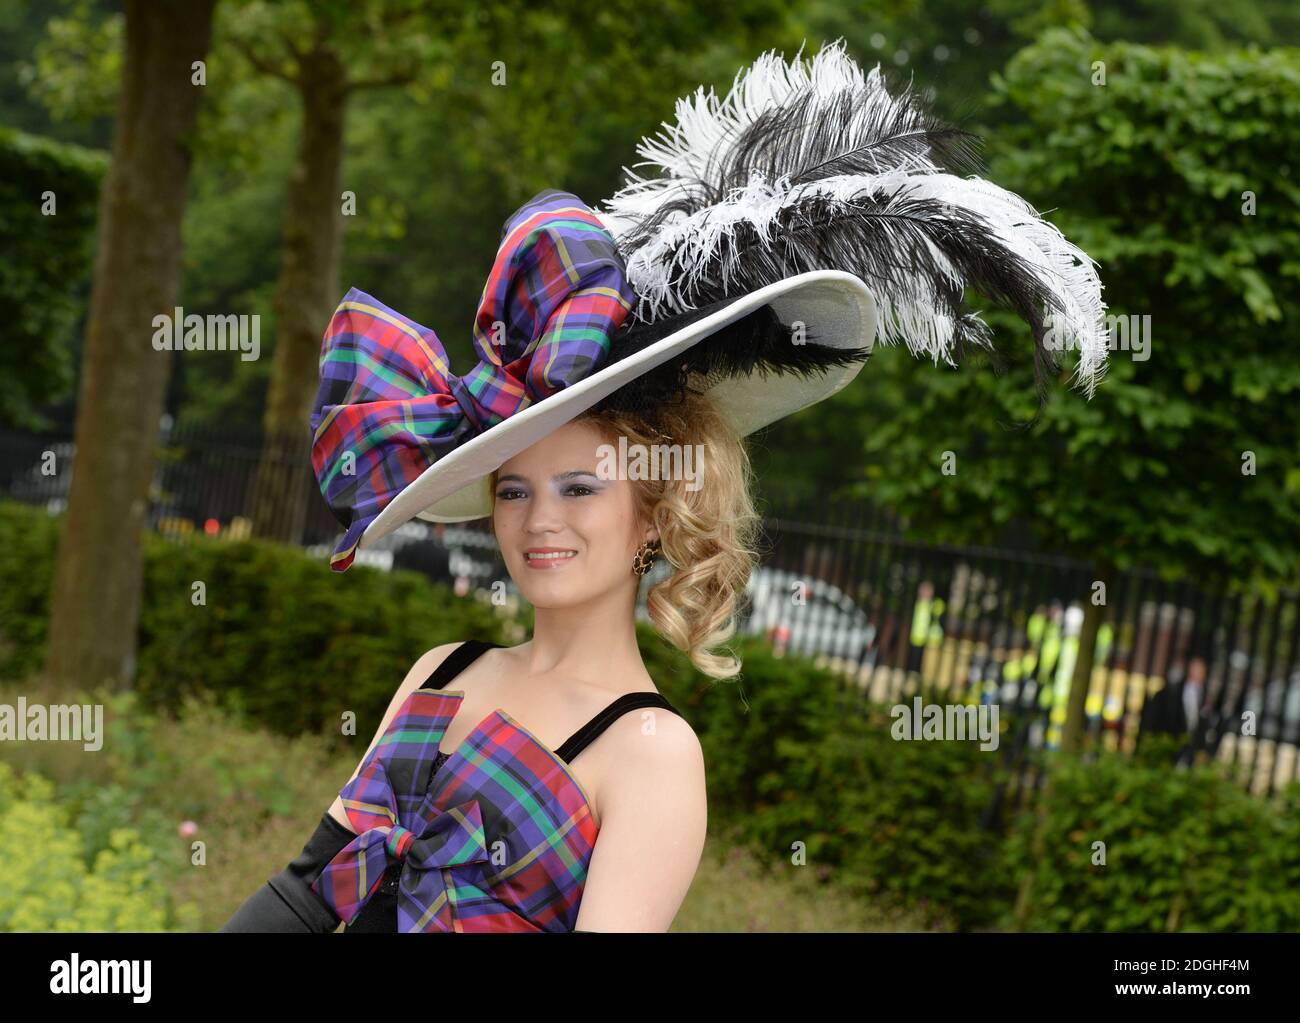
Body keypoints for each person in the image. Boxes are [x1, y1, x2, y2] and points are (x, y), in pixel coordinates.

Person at [220, 39, 1106, 934]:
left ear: (656, 506)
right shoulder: (438, 677)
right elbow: (300, 897)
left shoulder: (653, 753)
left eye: (578, 488)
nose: (539, 521)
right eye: (515, 490)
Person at [390, 521, 455, 588]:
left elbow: (397, 561)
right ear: (438, 528)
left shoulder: (410, 545)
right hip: (426, 590)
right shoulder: (442, 553)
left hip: (407, 585)